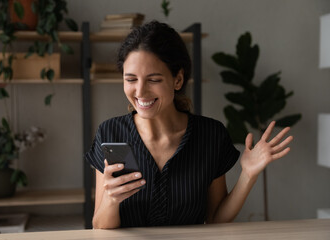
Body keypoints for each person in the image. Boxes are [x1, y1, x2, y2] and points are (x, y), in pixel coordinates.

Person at [85, 20, 293, 229]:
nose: (139, 92)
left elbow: (215, 218)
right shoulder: (110, 132)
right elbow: (99, 226)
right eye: (131, 79)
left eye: (153, 80)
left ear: (178, 79)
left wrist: (248, 175)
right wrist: (111, 200)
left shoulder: (210, 135)